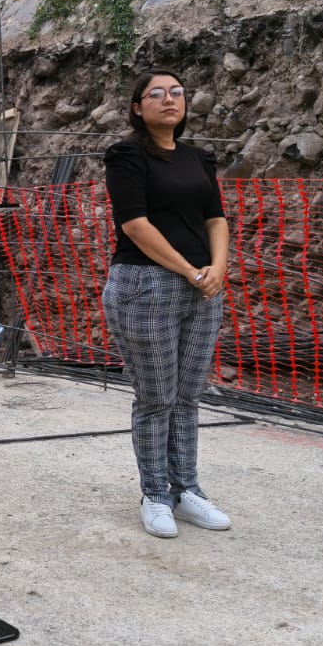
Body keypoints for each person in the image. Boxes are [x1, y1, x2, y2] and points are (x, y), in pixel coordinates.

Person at [101, 69, 233, 539]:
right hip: (145, 284)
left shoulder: (199, 158)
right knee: (156, 397)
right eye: (154, 94)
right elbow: (134, 224)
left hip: (202, 287)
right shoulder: (126, 156)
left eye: (176, 92)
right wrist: (189, 269)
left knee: (187, 397)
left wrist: (217, 268)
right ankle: (155, 494)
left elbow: (215, 218)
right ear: (137, 108)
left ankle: (187, 490)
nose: (168, 100)